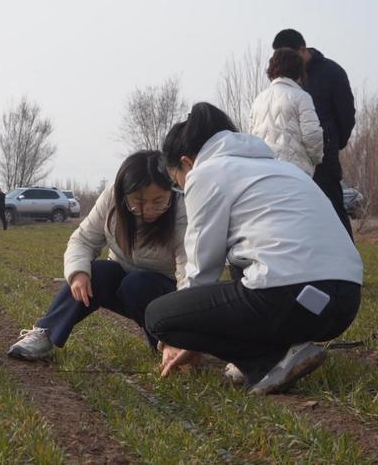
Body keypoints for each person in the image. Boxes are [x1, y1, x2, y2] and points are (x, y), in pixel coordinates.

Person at [146, 102, 363, 395]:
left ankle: (265, 362)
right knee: (244, 260)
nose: (182, 189)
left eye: (176, 183)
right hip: (343, 302)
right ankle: (277, 353)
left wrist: (186, 334)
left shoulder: (206, 172)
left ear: (186, 162)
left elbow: (202, 269)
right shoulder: (282, 167)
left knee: (158, 317)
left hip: (291, 297)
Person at [8, 151, 187, 360]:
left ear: (171, 191)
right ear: (124, 194)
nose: (148, 209)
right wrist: (77, 274)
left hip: (165, 293)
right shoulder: (112, 198)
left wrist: (181, 337)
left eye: (158, 201)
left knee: (137, 283)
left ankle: (167, 344)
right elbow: (83, 240)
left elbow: (189, 271)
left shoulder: (182, 209)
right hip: (124, 283)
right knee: (96, 272)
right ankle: (45, 333)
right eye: (138, 201)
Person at [273, 29, 356, 238]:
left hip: (323, 158)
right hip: (291, 161)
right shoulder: (284, 82)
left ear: (302, 49)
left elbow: (346, 114)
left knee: (333, 211)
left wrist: (333, 142)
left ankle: (347, 265)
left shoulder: (332, 72)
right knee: (298, 219)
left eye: (290, 56)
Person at [250, 48, 324, 176]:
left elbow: (251, 138)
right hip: (294, 171)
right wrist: (315, 159)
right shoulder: (302, 97)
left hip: (263, 172)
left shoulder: (258, 100)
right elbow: (312, 135)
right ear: (299, 71)